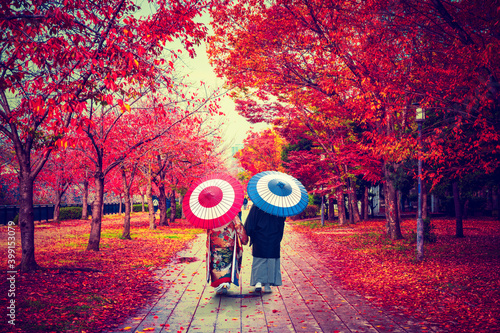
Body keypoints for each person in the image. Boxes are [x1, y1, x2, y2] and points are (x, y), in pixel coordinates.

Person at [244, 205, 286, 293]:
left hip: (259, 236)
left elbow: (250, 223)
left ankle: (258, 282)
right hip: (274, 237)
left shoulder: (257, 205)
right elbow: (281, 223)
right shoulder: (279, 206)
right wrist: (278, 237)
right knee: (271, 260)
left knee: (259, 260)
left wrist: (251, 233)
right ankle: (268, 285)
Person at [207, 215, 248, 295]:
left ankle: (219, 284)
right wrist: (244, 239)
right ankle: (226, 283)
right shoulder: (231, 214)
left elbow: (208, 231)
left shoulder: (211, 214)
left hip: (215, 244)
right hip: (229, 243)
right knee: (227, 263)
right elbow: (238, 226)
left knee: (216, 264)